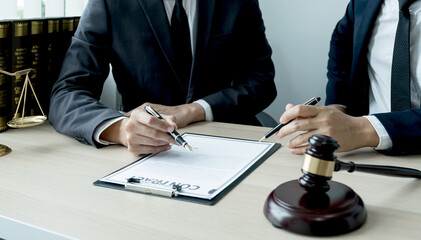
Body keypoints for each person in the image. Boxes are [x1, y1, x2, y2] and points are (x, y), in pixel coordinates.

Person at [49, 0, 276, 155]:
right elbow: (68, 92)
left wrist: (194, 110)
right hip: (149, 152)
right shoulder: (109, 3)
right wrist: (120, 129)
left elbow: (262, 80)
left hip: (230, 142)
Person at [276, 0, 421, 156]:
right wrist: (336, 106)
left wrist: (360, 129)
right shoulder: (363, 3)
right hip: (367, 154)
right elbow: (341, 43)